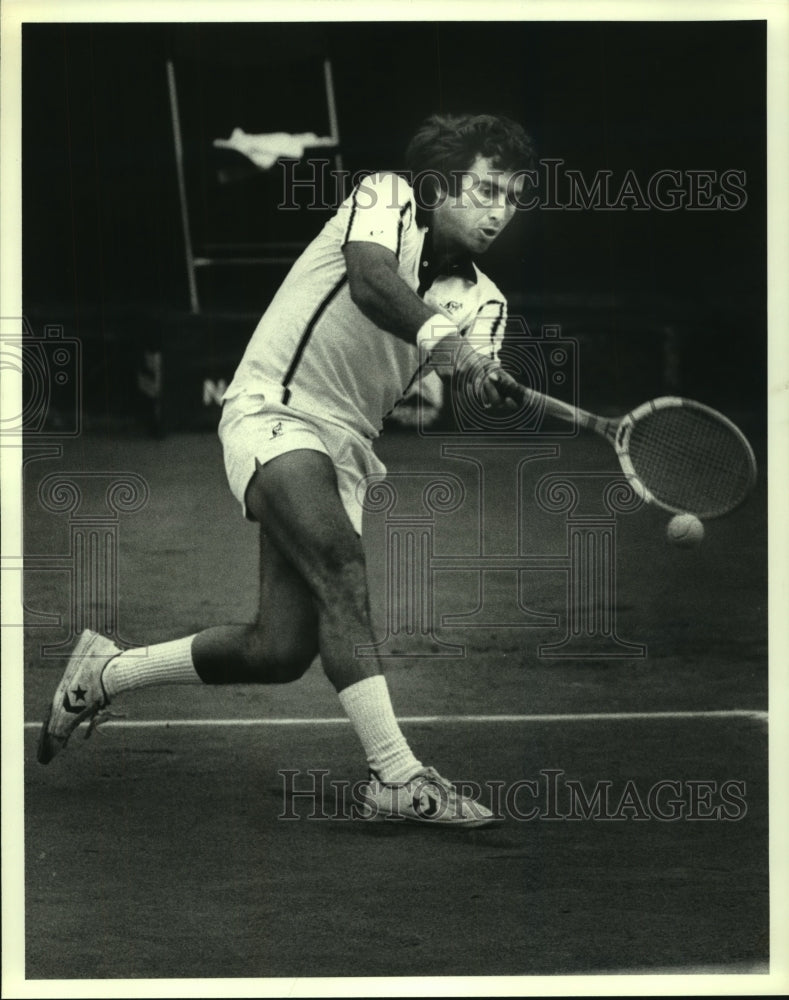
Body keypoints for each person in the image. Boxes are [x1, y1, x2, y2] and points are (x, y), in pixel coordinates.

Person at [37, 112, 535, 827]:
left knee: (278, 648)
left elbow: (464, 379)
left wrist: (481, 380)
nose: (499, 211)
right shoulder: (386, 196)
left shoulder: (487, 300)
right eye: (486, 189)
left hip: (348, 449)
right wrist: (449, 344)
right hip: (274, 406)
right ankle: (393, 776)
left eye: (513, 197)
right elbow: (369, 282)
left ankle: (108, 672)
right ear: (442, 183)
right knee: (341, 563)